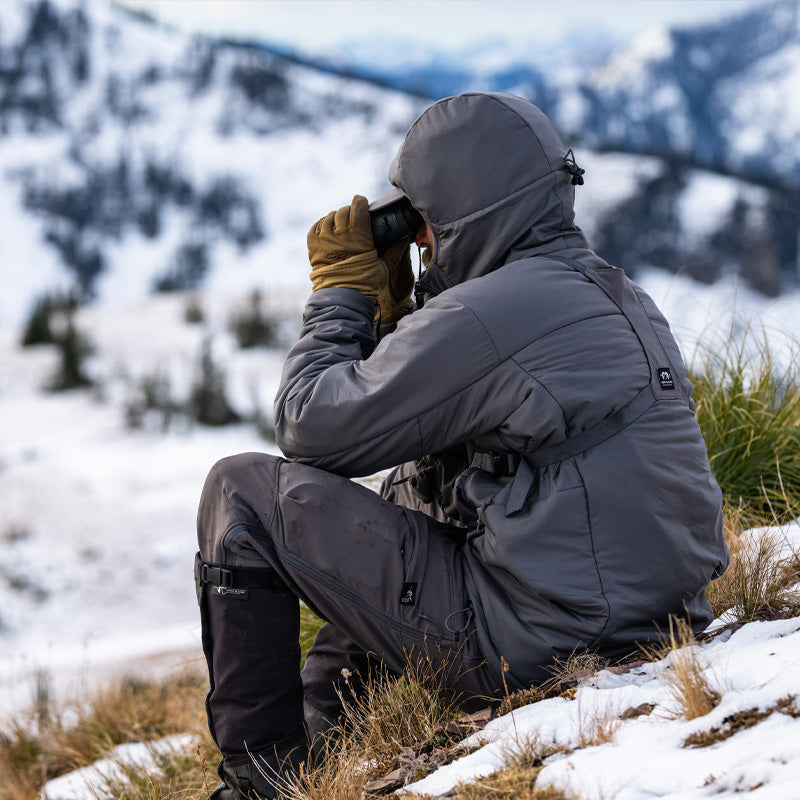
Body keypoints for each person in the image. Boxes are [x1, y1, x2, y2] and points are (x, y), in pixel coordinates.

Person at [195, 92, 729, 799]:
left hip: (543, 647)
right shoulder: (610, 290)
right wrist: (398, 327)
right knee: (414, 484)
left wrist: (340, 298)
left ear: (466, 209)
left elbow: (309, 428)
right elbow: (439, 421)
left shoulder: (490, 312)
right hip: (652, 621)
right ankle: (323, 740)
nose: (417, 240)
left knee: (242, 495)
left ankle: (257, 785)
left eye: (421, 218)